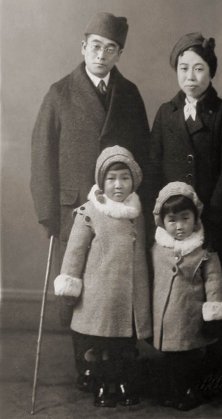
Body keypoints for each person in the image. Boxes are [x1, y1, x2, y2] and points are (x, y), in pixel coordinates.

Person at [30, 12, 150, 388]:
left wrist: (138, 200)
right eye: (95, 46)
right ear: (83, 47)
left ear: (118, 54)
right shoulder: (60, 92)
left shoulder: (129, 94)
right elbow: (42, 155)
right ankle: (84, 363)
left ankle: (121, 357)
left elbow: (144, 152)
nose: (101, 54)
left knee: (117, 281)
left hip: (119, 206)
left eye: (110, 49)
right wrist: (48, 212)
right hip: (75, 208)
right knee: (78, 282)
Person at [149, 32, 222, 342]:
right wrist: (165, 214)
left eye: (199, 68)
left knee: (217, 284)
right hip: (174, 219)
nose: (191, 77)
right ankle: (178, 354)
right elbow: (154, 164)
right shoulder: (166, 113)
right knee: (178, 289)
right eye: (184, 68)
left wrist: (210, 214)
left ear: (211, 71)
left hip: (213, 218)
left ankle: (220, 361)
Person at [54, 146, 152, 407]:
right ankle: (102, 386)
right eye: (111, 179)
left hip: (128, 293)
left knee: (124, 345)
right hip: (99, 294)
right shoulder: (90, 212)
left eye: (124, 178)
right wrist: (69, 282)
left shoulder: (137, 214)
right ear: (101, 182)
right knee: (100, 346)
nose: (118, 185)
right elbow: (75, 251)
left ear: (133, 181)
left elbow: (142, 254)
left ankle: (123, 382)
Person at [152, 181, 222, 411]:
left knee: (189, 359)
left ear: (196, 219)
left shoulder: (204, 252)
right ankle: (173, 390)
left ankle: (189, 390)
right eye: (172, 220)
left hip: (190, 317)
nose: (179, 226)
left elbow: (214, 282)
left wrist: (214, 311)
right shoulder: (157, 250)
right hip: (165, 318)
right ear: (162, 222)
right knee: (170, 359)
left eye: (185, 218)